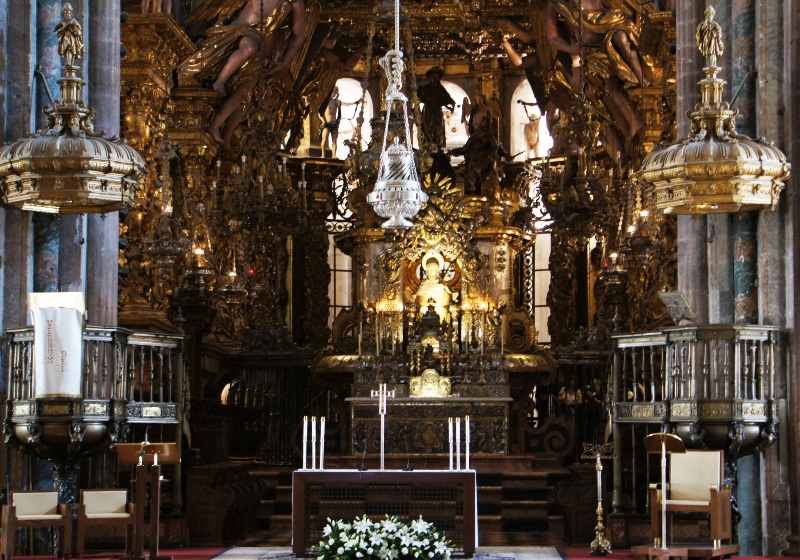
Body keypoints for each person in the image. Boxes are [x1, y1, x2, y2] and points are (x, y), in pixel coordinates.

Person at [177, 0, 306, 145]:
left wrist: (285, 62)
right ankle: (220, 81)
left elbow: (299, 35)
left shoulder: (294, 3)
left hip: (262, 54)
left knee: (244, 93)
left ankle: (215, 126)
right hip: (241, 31)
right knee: (249, 48)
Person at [417, 67, 455, 150]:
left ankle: (438, 146)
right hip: (428, 111)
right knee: (427, 128)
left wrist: (451, 105)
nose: (435, 78)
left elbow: (448, 99)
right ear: (430, 78)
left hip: (437, 112)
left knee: (438, 129)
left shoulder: (441, 89)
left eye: (437, 77)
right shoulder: (425, 88)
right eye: (433, 77)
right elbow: (418, 99)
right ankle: (427, 145)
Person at [410, 257, 452, 322]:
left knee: (442, 311)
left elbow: (450, 293)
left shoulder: (442, 282)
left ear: (437, 271)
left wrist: (443, 286)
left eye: (433, 270)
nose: (431, 272)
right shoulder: (423, 283)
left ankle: (441, 329)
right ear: (426, 271)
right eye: (429, 270)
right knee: (422, 309)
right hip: (425, 305)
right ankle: (422, 329)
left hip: (439, 306)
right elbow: (416, 295)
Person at [319, 86, 341, 158]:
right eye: (333, 93)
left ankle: (334, 155)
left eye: (336, 93)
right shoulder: (325, 102)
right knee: (324, 139)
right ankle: (323, 154)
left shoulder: (336, 102)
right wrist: (323, 121)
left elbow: (342, 107)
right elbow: (320, 113)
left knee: (334, 140)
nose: (334, 94)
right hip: (327, 123)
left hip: (334, 123)